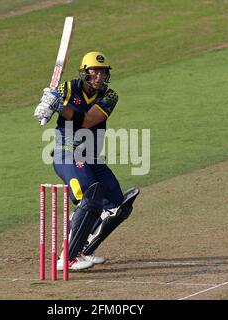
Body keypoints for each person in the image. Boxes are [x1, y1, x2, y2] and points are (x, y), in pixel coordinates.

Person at [34, 52, 140, 270]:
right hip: (67, 153)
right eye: (94, 71)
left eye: (103, 72)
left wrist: (59, 107)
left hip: (92, 157)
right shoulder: (67, 88)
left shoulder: (110, 96)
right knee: (88, 196)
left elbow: (89, 121)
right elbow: (54, 102)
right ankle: (67, 258)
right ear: (84, 72)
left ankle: (83, 249)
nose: (99, 76)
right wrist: (46, 106)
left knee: (117, 204)